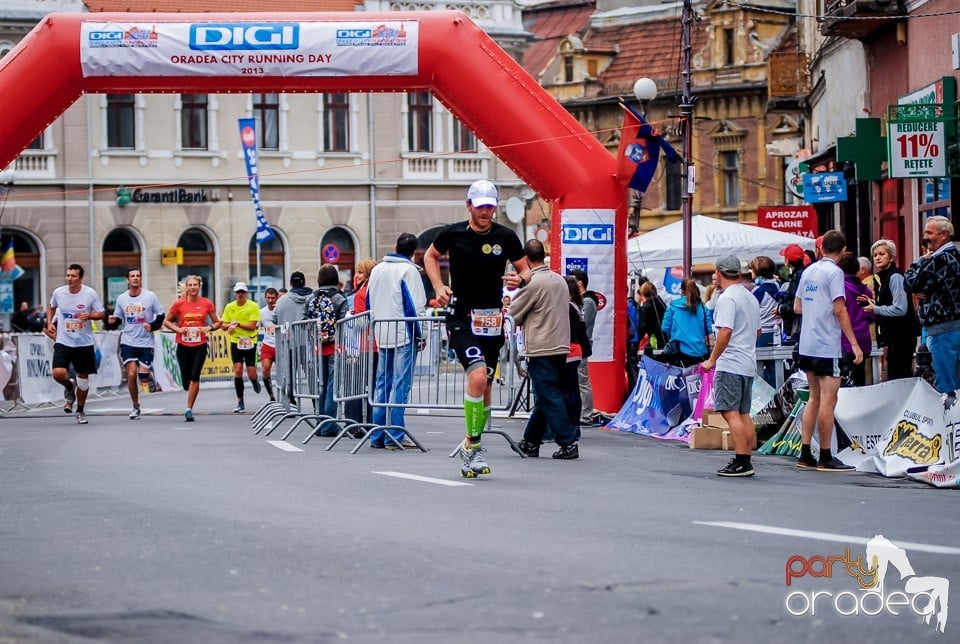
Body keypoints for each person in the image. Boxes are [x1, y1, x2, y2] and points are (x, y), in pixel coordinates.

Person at [424, 179, 528, 477]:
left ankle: (473, 445)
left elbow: (526, 271)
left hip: (492, 319)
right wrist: (438, 285)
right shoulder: (452, 233)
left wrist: (520, 280)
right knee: (478, 376)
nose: (485, 211)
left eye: (490, 206)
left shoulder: (506, 237)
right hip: (462, 316)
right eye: (480, 205)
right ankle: (472, 447)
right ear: (469, 205)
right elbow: (430, 256)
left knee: (485, 390)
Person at [793, 230, 863, 472]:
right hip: (826, 344)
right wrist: (853, 343)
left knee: (814, 397)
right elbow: (840, 309)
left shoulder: (808, 270)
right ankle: (825, 455)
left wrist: (815, 309)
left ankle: (805, 452)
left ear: (822, 249)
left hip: (807, 343)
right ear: (843, 250)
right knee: (829, 399)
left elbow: (797, 306)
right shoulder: (835, 273)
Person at [510, 240, 579, 460]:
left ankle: (568, 442)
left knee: (548, 396)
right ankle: (530, 441)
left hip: (541, 346)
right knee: (545, 396)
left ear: (526, 259)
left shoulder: (534, 283)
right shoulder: (559, 280)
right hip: (560, 345)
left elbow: (514, 313)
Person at [701, 256, 761, 477]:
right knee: (744, 413)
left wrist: (712, 359)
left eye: (715, 273)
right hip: (746, 361)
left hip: (731, 362)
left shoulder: (728, 298)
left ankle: (741, 460)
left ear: (720, 272)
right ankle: (745, 458)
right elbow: (758, 331)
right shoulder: (749, 296)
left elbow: (725, 331)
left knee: (730, 412)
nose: (714, 277)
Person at [366, 233, 427, 449]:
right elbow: (416, 306)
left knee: (382, 382)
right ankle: (395, 434)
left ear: (395, 246)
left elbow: (368, 302)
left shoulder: (377, 270)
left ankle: (377, 434)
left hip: (382, 331)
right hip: (403, 333)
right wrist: (422, 334)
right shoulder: (409, 271)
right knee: (400, 384)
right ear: (414, 252)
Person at [904, 215, 960, 394]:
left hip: (942, 329)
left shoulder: (939, 260)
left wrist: (919, 262)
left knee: (944, 382)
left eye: (929, 233)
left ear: (944, 235)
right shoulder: (952, 256)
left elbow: (910, 283)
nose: (925, 237)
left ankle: (948, 420)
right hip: (949, 327)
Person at [46, 264, 106, 425]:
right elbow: (51, 307)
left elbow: (101, 313)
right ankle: (69, 387)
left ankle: (80, 409)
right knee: (58, 373)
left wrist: (90, 315)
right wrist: (50, 323)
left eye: (73, 276)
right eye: (67, 275)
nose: (69, 279)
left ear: (80, 278)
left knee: (83, 380)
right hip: (64, 340)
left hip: (83, 342)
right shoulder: (59, 292)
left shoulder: (89, 294)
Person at [163, 275, 222, 422]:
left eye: (195, 285)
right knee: (186, 381)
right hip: (183, 345)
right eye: (190, 285)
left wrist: (208, 327)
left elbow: (218, 323)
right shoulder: (179, 304)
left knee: (195, 377)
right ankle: (187, 387)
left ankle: (189, 409)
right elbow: (166, 321)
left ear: (199, 286)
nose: (193, 287)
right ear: (187, 287)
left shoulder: (206, 303)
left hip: (200, 345)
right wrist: (178, 329)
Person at [108, 268, 165, 420]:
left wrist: (152, 326)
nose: (135, 278)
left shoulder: (150, 297)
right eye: (132, 276)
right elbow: (119, 318)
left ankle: (149, 377)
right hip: (128, 340)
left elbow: (161, 315)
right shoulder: (122, 298)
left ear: (141, 279)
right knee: (131, 374)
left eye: (138, 276)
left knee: (142, 376)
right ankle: (135, 405)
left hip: (146, 342)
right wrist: (113, 321)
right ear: (127, 280)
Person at [861, 239, 918, 381]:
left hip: (902, 335)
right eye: (875, 255)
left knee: (900, 376)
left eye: (882, 254)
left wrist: (876, 309)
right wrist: (874, 304)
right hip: (894, 337)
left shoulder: (895, 277)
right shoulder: (883, 278)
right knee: (894, 375)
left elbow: (900, 309)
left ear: (891, 257)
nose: (877, 258)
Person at [305, 264, 349, 426]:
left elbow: (304, 321)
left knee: (320, 384)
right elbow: (345, 322)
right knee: (333, 384)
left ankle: (321, 422)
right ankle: (329, 424)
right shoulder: (339, 299)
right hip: (335, 347)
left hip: (316, 348)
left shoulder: (311, 298)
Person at [273, 271, 314, 404]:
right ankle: (316, 401)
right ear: (304, 282)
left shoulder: (282, 301)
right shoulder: (313, 298)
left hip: (289, 341)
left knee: (289, 373)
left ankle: (290, 402)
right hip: (310, 343)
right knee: (312, 373)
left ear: (290, 283)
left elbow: (275, 319)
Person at [221, 282, 262, 413]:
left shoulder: (253, 306)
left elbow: (252, 326)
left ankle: (254, 380)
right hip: (236, 341)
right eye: (238, 292)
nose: (240, 295)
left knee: (251, 372)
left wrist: (237, 324)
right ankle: (240, 401)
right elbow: (223, 325)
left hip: (250, 341)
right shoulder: (229, 307)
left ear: (246, 293)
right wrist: (230, 327)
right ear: (234, 293)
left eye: (242, 292)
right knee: (237, 370)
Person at [838, 252, 874, 387]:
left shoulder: (839, 289)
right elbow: (871, 316)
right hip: (863, 340)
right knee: (859, 382)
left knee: (843, 384)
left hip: (844, 341)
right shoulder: (866, 291)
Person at [661, 278, 714, 368]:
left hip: (680, 352)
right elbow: (709, 329)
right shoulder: (703, 308)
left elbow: (665, 327)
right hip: (701, 352)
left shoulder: (672, 307)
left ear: (681, 291)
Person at [570, 269, 597, 426]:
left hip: (581, 343)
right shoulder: (581, 300)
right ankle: (580, 413)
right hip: (577, 343)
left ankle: (586, 415)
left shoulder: (587, 302)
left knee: (582, 380)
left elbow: (581, 323)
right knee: (577, 380)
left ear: (579, 282)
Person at [749, 255, 781, 385]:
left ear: (757, 272)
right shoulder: (779, 286)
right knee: (776, 369)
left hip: (761, 334)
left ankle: (763, 399)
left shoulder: (758, 291)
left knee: (759, 370)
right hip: (776, 333)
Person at [777, 243, 811, 344]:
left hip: (798, 323)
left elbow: (794, 301)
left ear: (788, 260)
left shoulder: (798, 276)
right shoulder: (803, 273)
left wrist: (780, 308)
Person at [259, 287, 279, 402]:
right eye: (268, 298)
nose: (270, 300)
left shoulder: (280, 311)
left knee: (283, 373)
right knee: (266, 369)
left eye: (273, 298)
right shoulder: (262, 312)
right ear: (265, 298)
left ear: (277, 298)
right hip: (268, 344)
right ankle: (271, 395)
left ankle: (286, 395)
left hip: (280, 345)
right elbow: (255, 326)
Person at [638, 281, 666, 352]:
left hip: (653, 340)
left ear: (643, 294)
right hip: (665, 339)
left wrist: (638, 340)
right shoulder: (663, 304)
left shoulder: (645, 308)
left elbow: (642, 327)